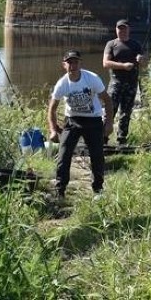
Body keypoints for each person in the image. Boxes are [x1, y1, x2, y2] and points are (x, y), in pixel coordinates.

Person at [47, 50, 114, 198]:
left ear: (80, 63)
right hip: (73, 120)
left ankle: (98, 189)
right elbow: (52, 108)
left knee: (97, 155)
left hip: (93, 120)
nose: (73, 65)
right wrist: (53, 129)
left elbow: (107, 101)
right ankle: (60, 191)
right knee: (63, 155)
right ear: (64, 65)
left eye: (75, 62)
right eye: (70, 62)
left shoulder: (92, 79)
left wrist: (109, 123)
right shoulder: (62, 84)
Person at [102, 19, 147, 145]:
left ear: (128, 29)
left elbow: (144, 65)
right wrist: (123, 66)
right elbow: (105, 63)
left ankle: (121, 140)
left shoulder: (136, 45)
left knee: (126, 113)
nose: (121, 30)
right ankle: (103, 138)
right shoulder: (111, 44)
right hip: (116, 83)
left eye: (124, 28)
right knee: (110, 111)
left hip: (131, 84)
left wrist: (142, 59)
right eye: (119, 28)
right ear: (116, 29)